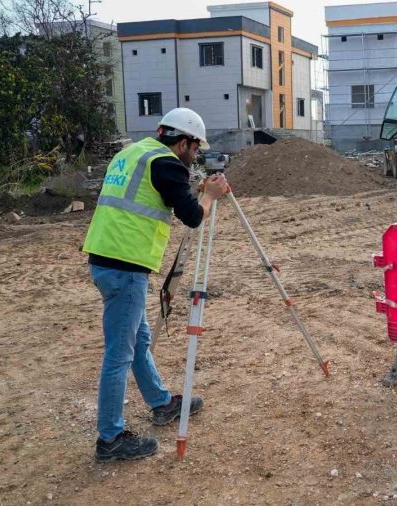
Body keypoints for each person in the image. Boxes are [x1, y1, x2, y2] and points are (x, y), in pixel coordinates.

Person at [82, 108, 230, 462]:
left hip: (105, 258)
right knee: (119, 353)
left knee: (139, 340)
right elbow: (192, 217)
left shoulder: (132, 153)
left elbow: (154, 194)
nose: (195, 156)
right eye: (195, 149)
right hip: (126, 265)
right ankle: (110, 439)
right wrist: (209, 197)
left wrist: (192, 190)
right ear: (183, 142)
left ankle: (161, 403)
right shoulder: (167, 164)